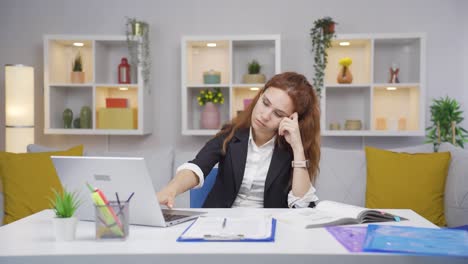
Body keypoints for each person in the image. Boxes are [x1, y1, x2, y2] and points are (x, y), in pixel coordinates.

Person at [157, 72, 321, 208]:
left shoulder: (292, 149)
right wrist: (172, 189)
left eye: (278, 114)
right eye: (265, 103)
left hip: (271, 229)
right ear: (259, 96)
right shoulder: (231, 133)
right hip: (220, 225)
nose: (264, 115)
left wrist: (298, 149)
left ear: (293, 120)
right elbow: (197, 166)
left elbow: (302, 206)